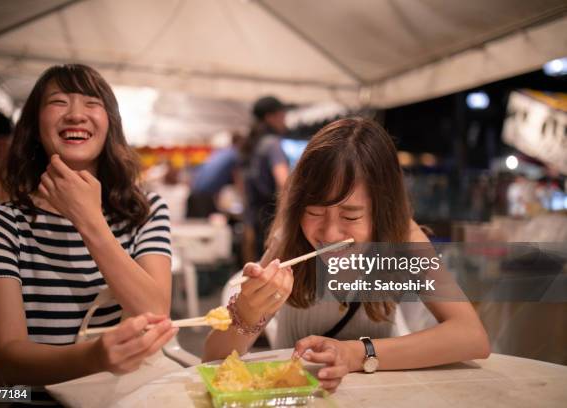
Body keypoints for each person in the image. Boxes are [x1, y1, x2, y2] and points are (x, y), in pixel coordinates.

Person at [204, 117, 490, 392]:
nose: (329, 235)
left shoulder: (401, 239)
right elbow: (213, 360)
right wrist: (247, 311)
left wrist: (356, 353)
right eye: (314, 211)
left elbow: (471, 336)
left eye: (350, 216)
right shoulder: (290, 241)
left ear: (383, 211)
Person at [0, 64, 177, 404]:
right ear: (35, 126)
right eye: (59, 102)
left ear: (110, 124)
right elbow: (10, 360)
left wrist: (88, 220)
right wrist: (94, 358)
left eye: (92, 103)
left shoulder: (146, 209)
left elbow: (154, 309)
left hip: (123, 398)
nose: (76, 114)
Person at [240, 96, 290, 260]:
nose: (285, 120)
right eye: (282, 115)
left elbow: (242, 187)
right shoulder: (272, 144)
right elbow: (283, 183)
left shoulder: (251, 145)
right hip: (270, 220)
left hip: (253, 220)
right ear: (270, 117)